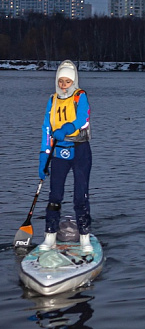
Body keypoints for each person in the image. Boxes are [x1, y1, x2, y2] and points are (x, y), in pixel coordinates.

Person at [38, 60, 93, 252]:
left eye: (67, 81)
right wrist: (43, 157)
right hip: (59, 151)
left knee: (80, 195)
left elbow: (82, 118)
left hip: (80, 150)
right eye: (60, 81)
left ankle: (85, 238)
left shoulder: (80, 96)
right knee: (55, 195)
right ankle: (49, 237)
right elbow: (47, 129)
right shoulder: (52, 100)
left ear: (73, 82)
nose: (63, 85)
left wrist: (67, 128)